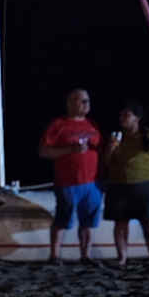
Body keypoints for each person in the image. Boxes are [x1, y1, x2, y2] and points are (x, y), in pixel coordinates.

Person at [38, 88, 103, 263]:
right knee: (62, 220)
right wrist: (70, 150)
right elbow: (44, 151)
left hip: (92, 183)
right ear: (70, 103)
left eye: (87, 100)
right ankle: (54, 256)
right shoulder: (59, 125)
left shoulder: (92, 125)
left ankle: (85, 255)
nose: (86, 104)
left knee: (88, 222)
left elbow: (100, 150)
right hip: (68, 182)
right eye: (81, 100)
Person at [102, 103, 149, 266]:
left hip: (144, 185)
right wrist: (111, 147)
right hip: (119, 185)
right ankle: (122, 258)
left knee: (148, 222)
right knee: (121, 223)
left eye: (127, 115)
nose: (122, 118)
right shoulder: (116, 136)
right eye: (121, 115)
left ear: (137, 118)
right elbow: (106, 162)